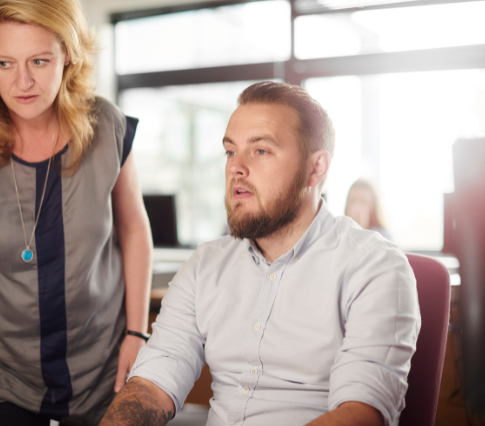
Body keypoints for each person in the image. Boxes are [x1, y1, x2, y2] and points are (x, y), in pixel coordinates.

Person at [99, 82, 420, 426]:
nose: (236, 167)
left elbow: (361, 415)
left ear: (316, 169)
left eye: (260, 151)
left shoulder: (374, 267)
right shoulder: (205, 265)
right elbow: (151, 385)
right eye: (230, 151)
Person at [0, 1, 153, 425]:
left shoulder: (106, 125)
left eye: (39, 60)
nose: (22, 82)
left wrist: (137, 332)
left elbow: (134, 228)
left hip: (103, 367)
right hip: (2, 378)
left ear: (68, 53)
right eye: (3, 63)